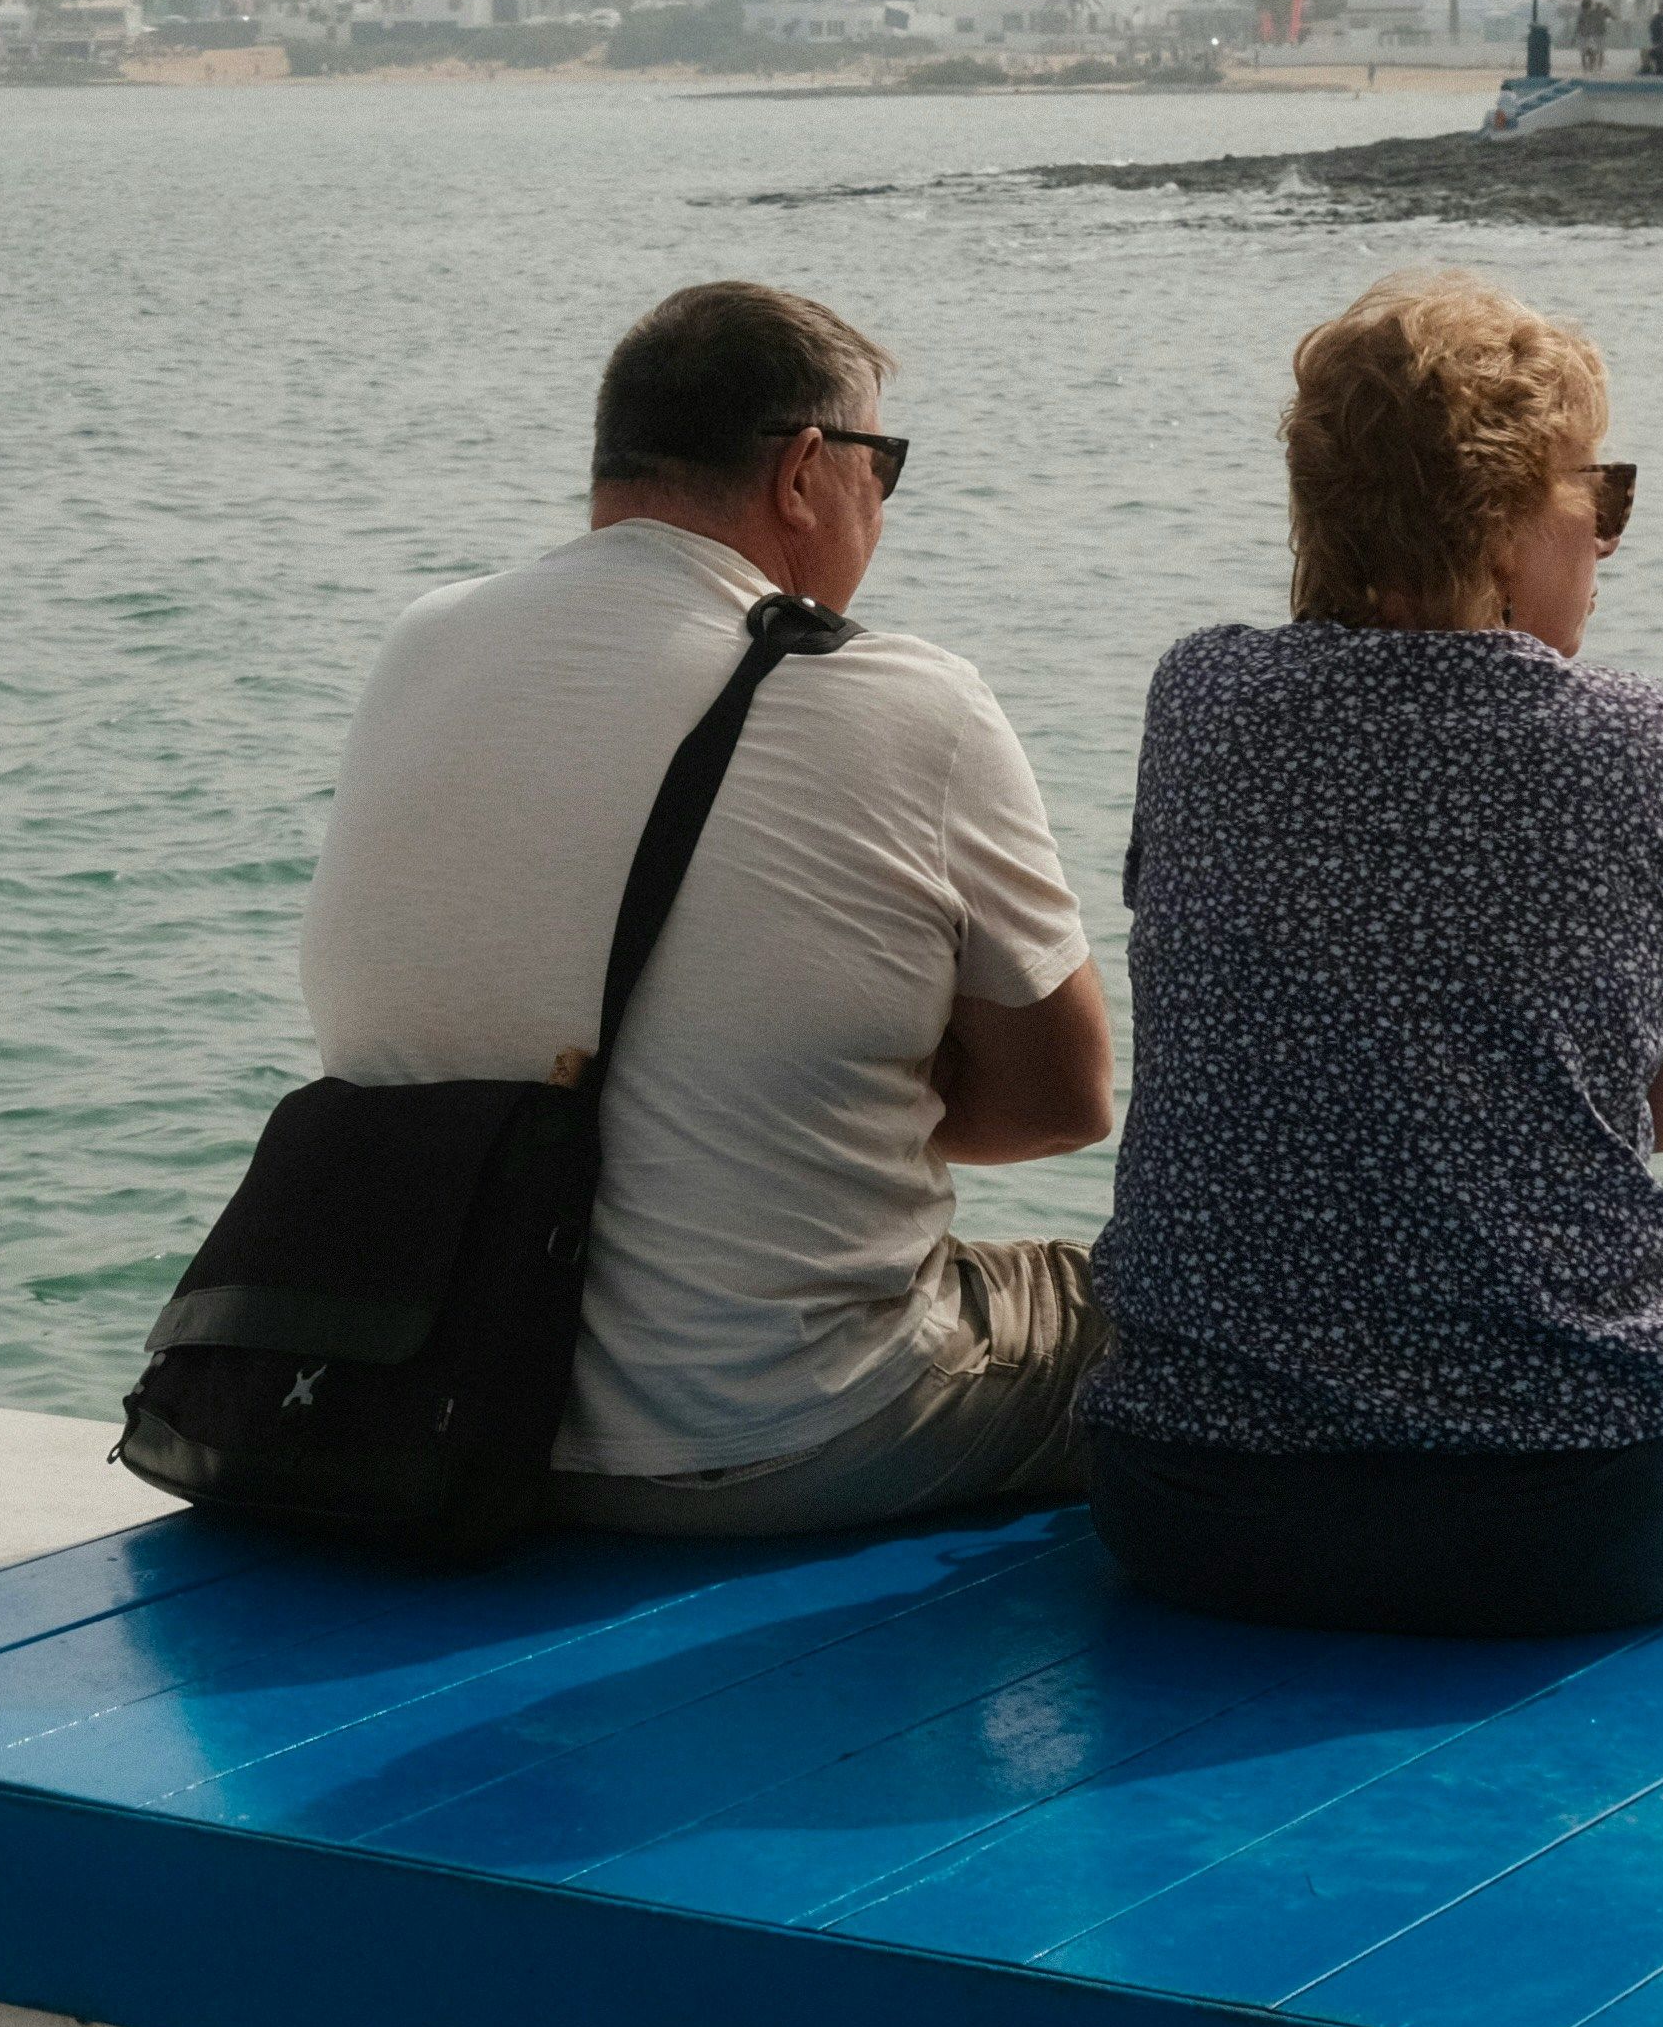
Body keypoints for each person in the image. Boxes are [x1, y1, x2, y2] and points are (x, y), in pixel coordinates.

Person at [295, 280, 1115, 1536]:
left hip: (439, 1405)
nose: (882, 507)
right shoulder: (915, 701)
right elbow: (1063, 1101)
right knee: (1169, 1311)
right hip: (797, 1434)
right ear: (803, 471)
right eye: (880, 466)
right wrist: (787, 1100)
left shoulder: (425, 639)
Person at [1084, 269, 1663, 1636]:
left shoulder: (1198, 700)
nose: (1608, 544)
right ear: (1511, 516)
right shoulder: (1636, 741)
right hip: (1574, 1514)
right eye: (1602, 498)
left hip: (1197, 1500)